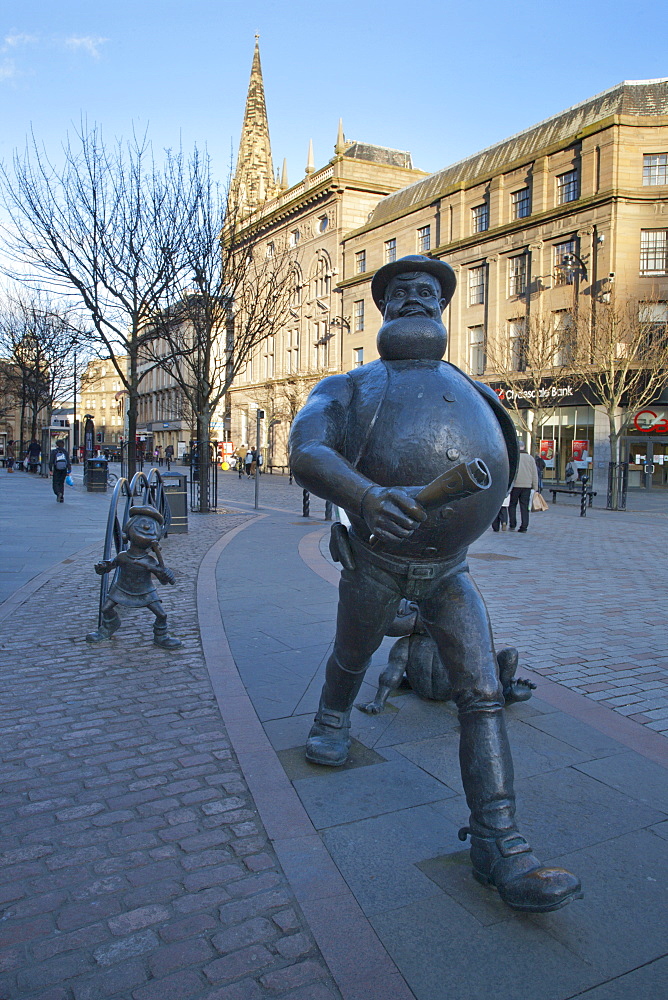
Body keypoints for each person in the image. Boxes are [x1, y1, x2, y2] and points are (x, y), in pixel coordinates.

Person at [289, 254, 580, 914]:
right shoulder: (349, 386)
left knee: (481, 691)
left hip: (450, 569)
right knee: (353, 653)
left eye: (429, 292)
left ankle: (499, 842)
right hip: (376, 560)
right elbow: (305, 451)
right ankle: (332, 716)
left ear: (443, 310)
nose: (417, 298)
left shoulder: (473, 390)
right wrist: (363, 497)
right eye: (403, 292)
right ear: (384, 309)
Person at [86, 505, 182, 649]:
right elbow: (110, 565)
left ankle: (161, 636)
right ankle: (108, 626)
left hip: (145, 591)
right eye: (140, 524)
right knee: (106, 608)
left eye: (152, 527)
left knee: (161, 615)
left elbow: (162, 580)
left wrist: (164, 574)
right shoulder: (123, 556)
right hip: (122, 589)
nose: (146, 527)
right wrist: (102, 567)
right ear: (127, 532)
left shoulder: (150, 561)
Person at [508, 443, 539, 533]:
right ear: (524, 447)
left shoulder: (514, 458)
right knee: (524, 507)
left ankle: (512, 523)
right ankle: (524, 526)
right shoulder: (530, 458)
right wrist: (535, 486)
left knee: (512, 505)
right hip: (527, 486)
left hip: (515, 485)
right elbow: (534, 473)